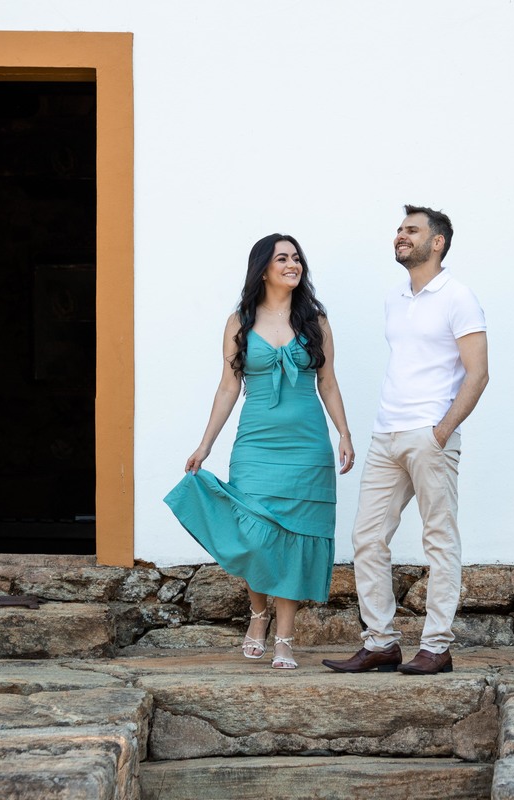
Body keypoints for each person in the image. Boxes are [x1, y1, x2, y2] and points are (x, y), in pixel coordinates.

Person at [164, 233, 355, 670]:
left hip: (308, 445)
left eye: (296, 258)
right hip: (255, 443)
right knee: (253, 533)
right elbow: (228, 387)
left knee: (294, 538)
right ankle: (257, 614)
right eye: (282, 258)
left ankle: (285, 638)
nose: (292, 265)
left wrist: (344, 433)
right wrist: (205, 445)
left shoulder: (316, 321)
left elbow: (328, 382)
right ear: (263, 269)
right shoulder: (239, 321)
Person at [322, 205, 488, 676]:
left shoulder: (458, 296)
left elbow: (478, 373)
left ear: (437, 242)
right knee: (367, 537)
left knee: (439, 539)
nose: (401, 235)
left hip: (429, 434)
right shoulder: (395, 297)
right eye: (399, 229)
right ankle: (380, 643)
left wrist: (442, 430)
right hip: (386, 434)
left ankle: (436, 647)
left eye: (411, 230)